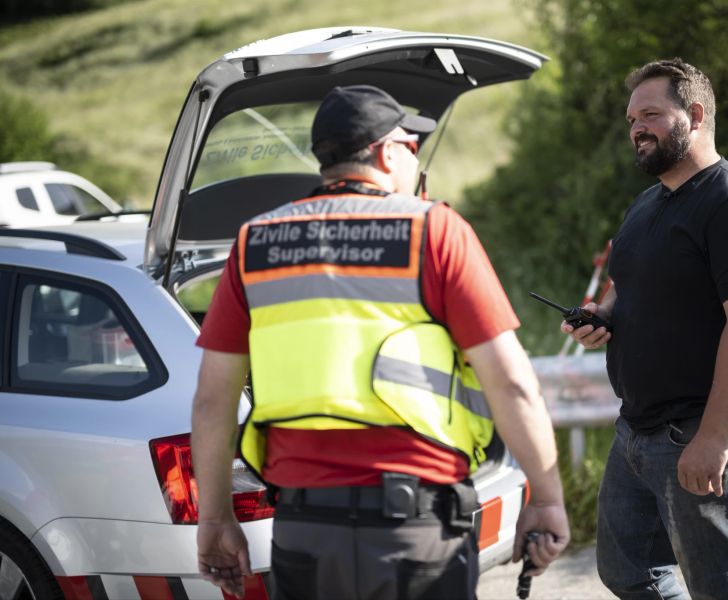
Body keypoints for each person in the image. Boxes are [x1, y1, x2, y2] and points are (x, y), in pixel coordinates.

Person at [191, 84, 569, 600]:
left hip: (304, 529)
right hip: (416, 532)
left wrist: (214, 518)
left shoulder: (255, 242)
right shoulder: (435, 231)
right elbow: (512, 383)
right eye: (412, 148)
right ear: (388, 151)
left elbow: (213, 400)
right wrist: (546, 498)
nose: (414, 161)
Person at [563, 59, 728, 599]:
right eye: (631, 119)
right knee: (629, 572)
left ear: (696, 113)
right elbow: (626, 283)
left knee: (724, 588)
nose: (637, 127)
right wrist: (603, 316)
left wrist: (713, 439)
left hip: (705, 426)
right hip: (638, 429)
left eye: (651, 114)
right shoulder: (648, 203)